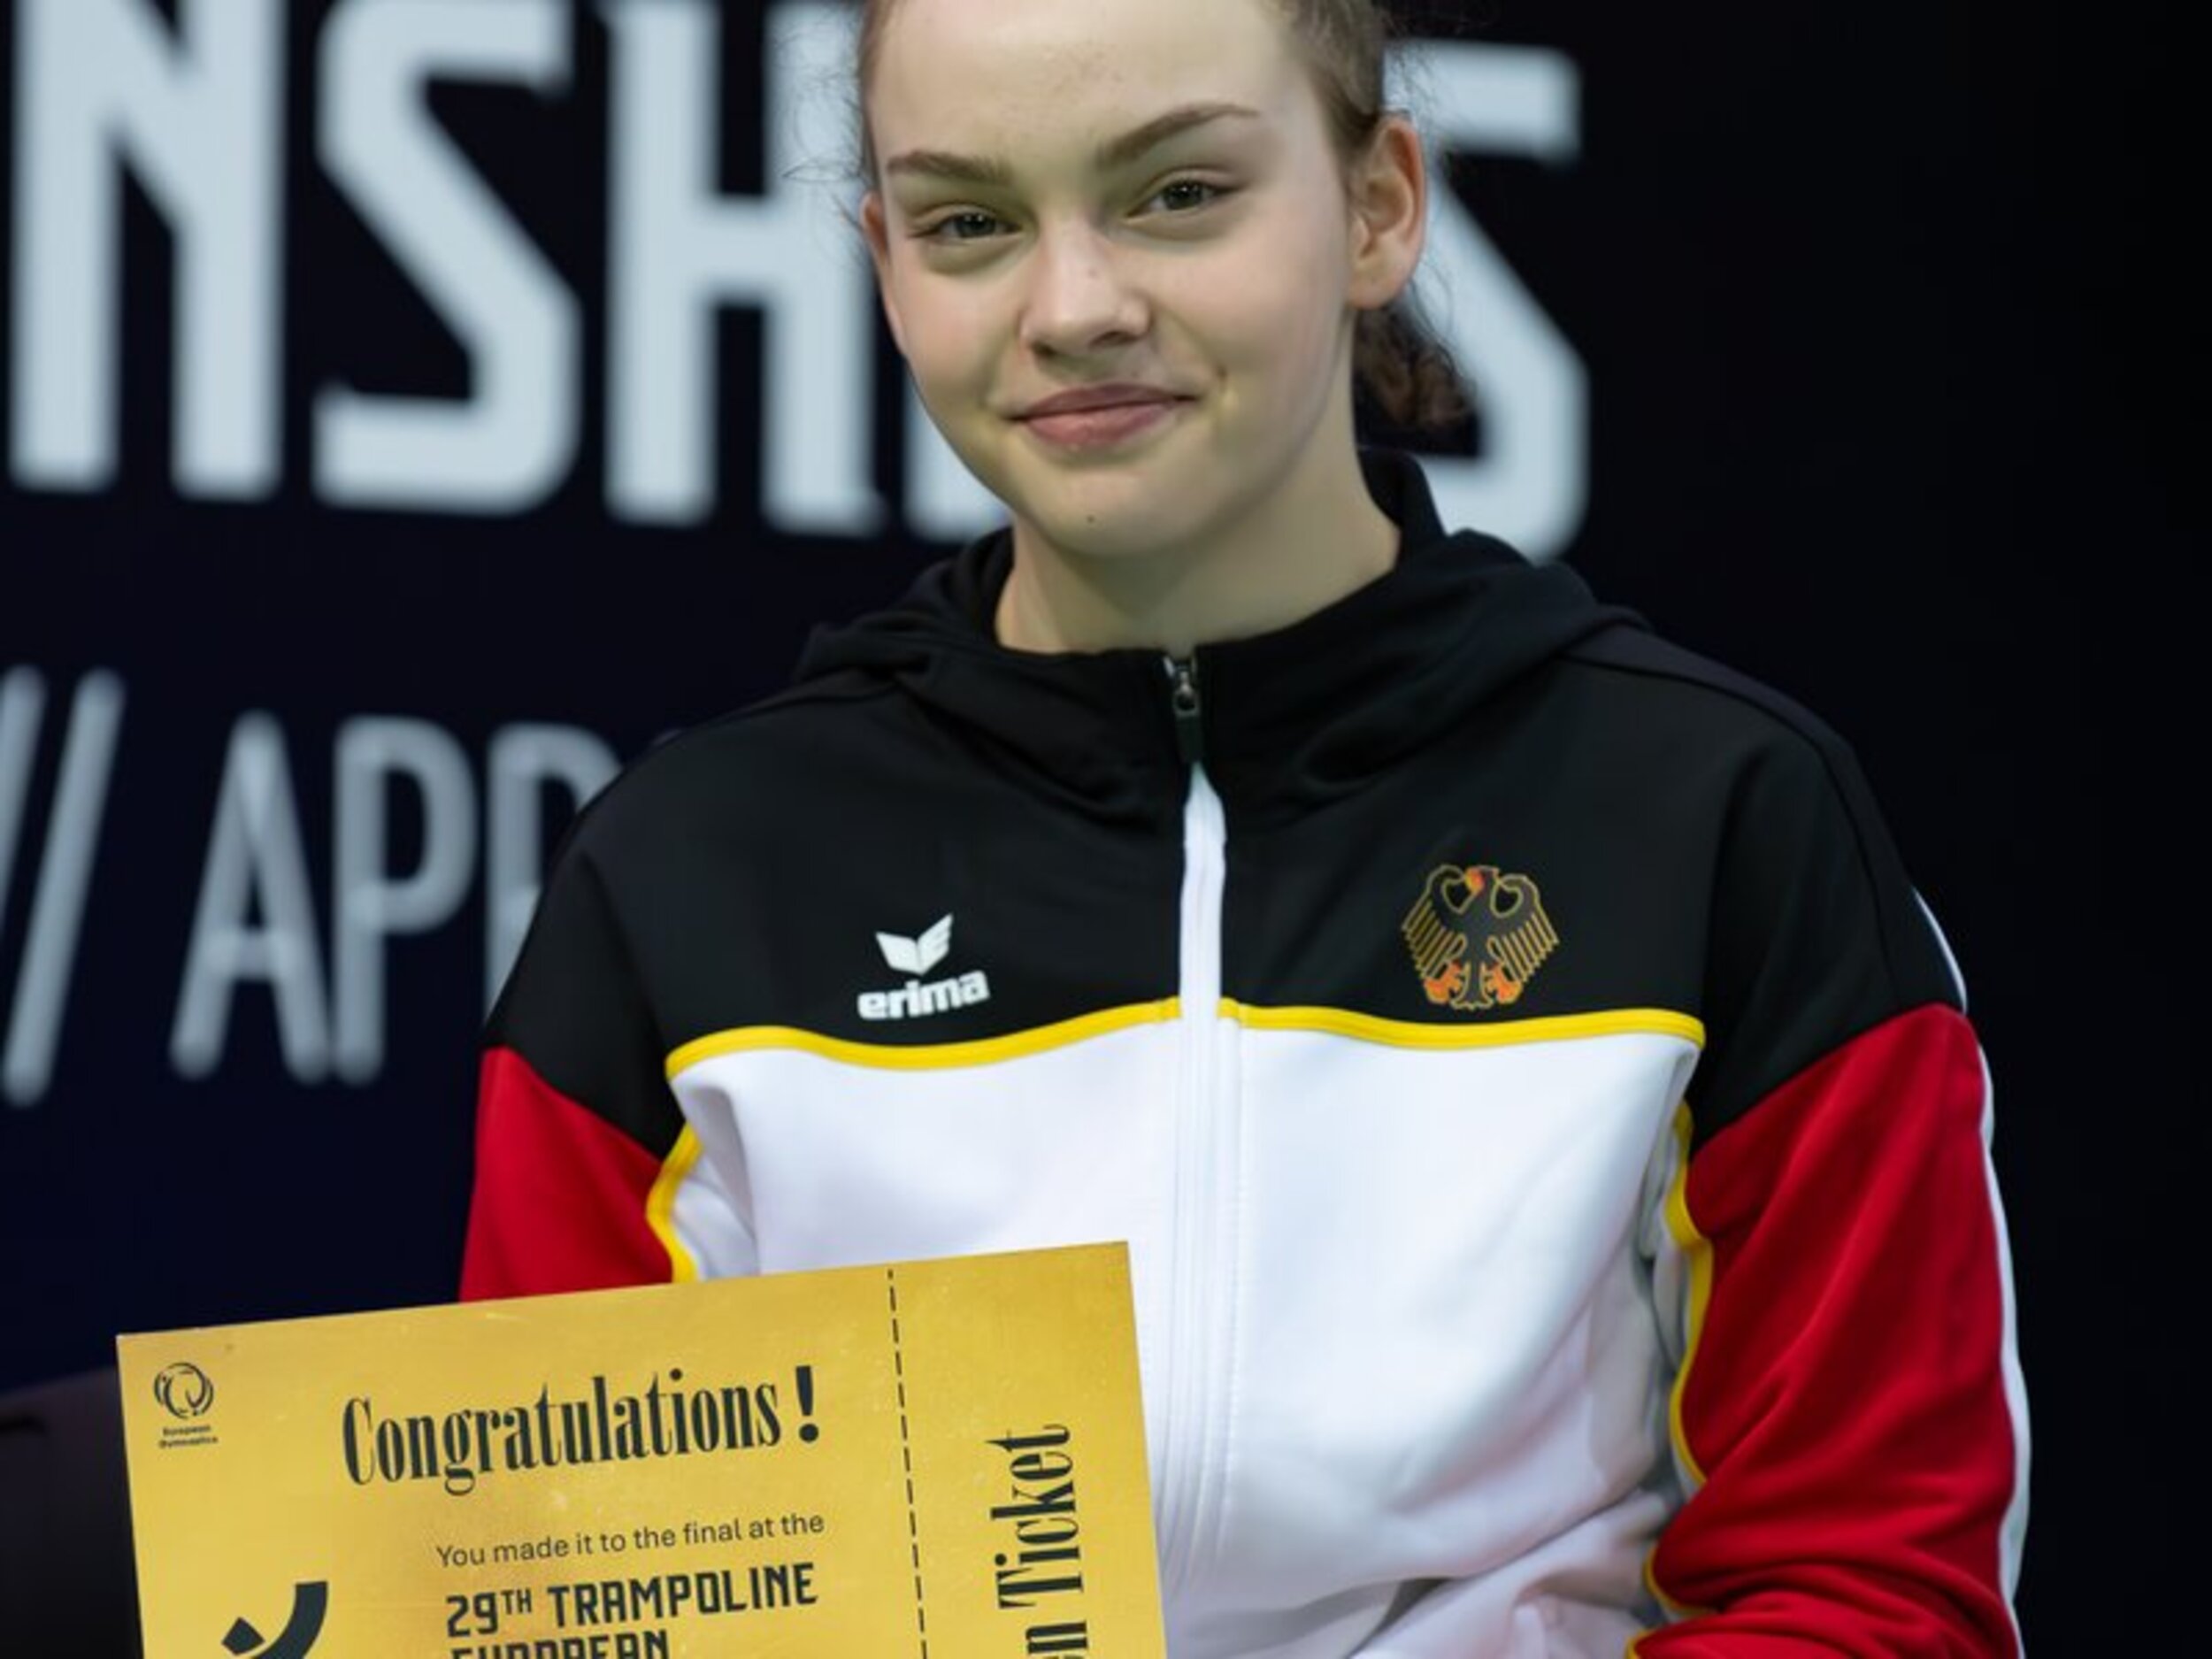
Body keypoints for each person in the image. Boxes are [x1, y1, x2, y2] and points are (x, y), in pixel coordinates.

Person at [461, 0, 2030, 1650]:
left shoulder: (1714, 822)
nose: (1075, 307)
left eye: (1178, 194)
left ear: (1379, 207)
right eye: (970, 222)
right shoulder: (687, 876)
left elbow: (1871, 1596)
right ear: (883, 263)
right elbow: (562, 1596)